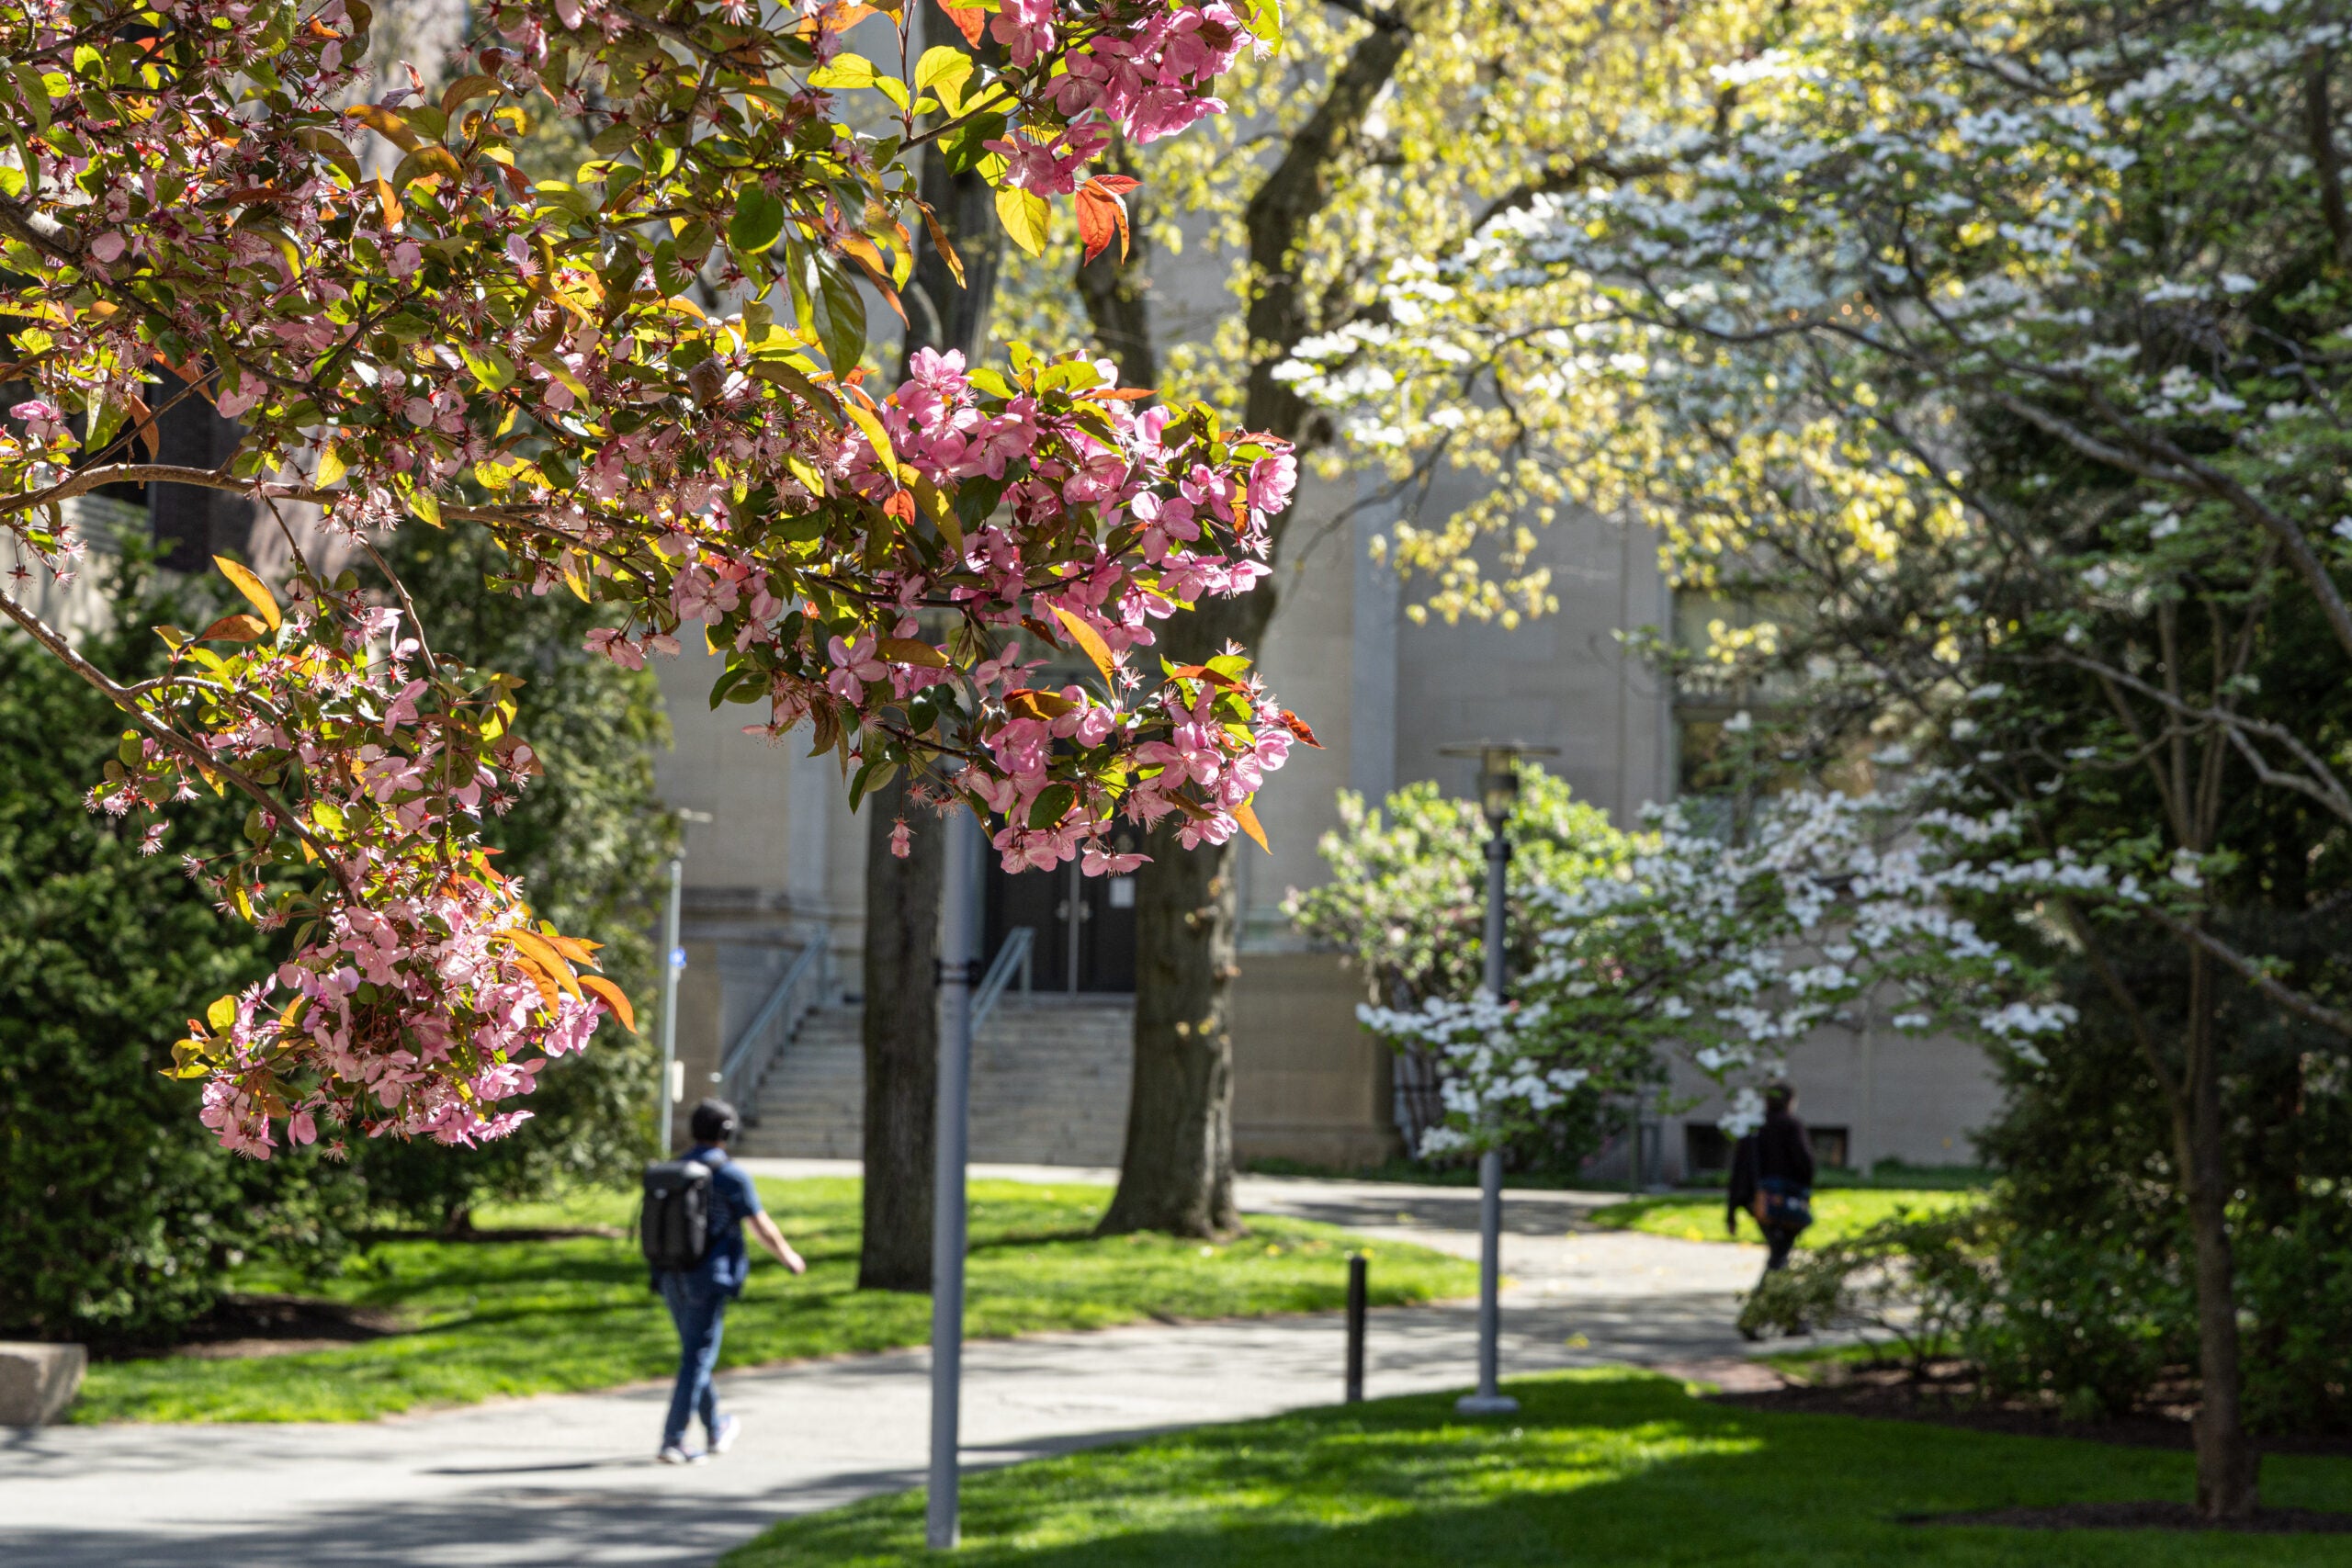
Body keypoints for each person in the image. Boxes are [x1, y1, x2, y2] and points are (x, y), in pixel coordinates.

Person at [652, 1098, 806, 1465]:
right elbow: (761, 1226)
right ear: (727, 1133)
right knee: (697, 1356)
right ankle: (673, 1440)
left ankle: (716, 1426)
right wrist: (790, 1258)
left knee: (694, 1354)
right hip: (709, 1277)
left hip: (670, 1272)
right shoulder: (730, 1175)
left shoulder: (675, 1167)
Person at [1725, 1081, 1815, 1276]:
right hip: (1788, 1198)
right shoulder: (1792, 1125)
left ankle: (1772, 1296)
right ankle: (1771, 1296)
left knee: (1778, 1249)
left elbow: (1739, 1169)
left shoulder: (1754, 1128)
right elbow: (1806, 1163)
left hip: (1758, 1199)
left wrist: (1732, 1212)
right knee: (1780, 1251)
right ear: (1790, 1101)